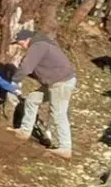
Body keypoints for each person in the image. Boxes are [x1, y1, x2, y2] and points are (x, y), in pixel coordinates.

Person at [10, 28, 77, 158]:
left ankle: (65, 147)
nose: (21, 46)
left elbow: (26, 67)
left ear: (27, 40)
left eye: (20, 43)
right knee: (32, 99)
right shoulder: (43, 44)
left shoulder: (38, 46)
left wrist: (14, 81)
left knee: (58, 113)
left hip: (61, 82)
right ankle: (25, 131)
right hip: (55, 82)